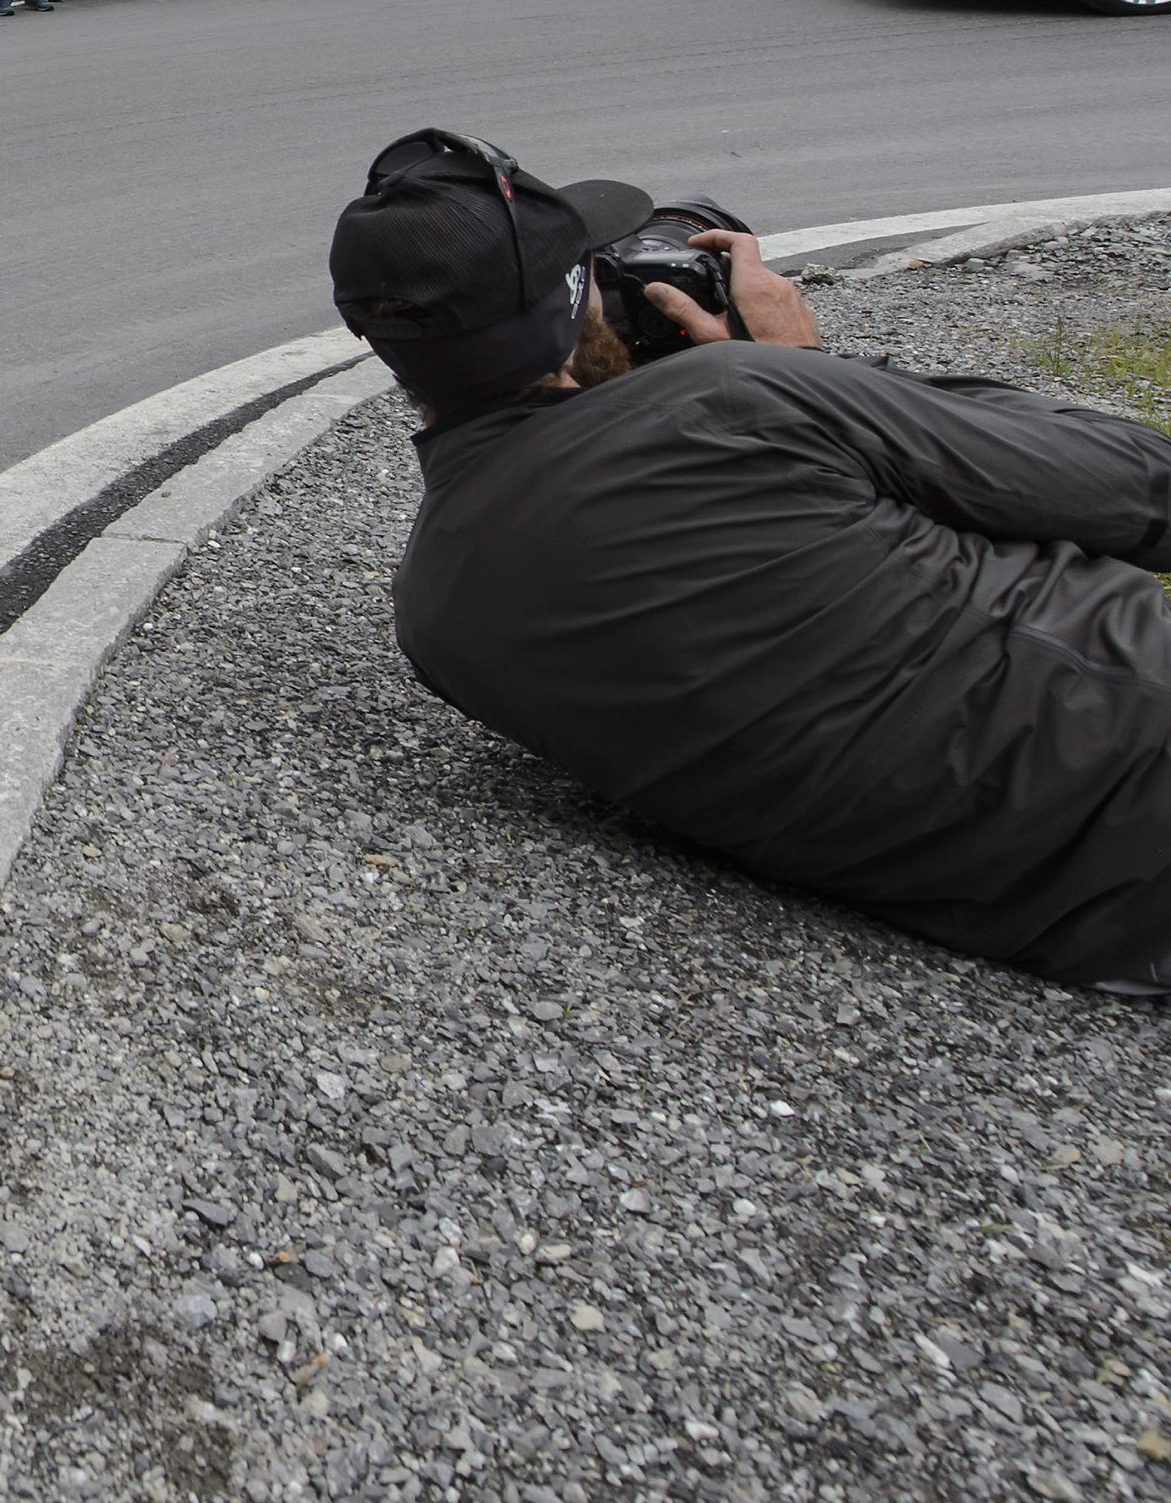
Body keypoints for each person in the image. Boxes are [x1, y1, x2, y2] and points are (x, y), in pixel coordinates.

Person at [332, 128, 1171, 994]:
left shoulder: (433, 616)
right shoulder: (734, 395)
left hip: (1083, 929)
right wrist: (812, 368)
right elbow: (1144, 491)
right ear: (576, 308)